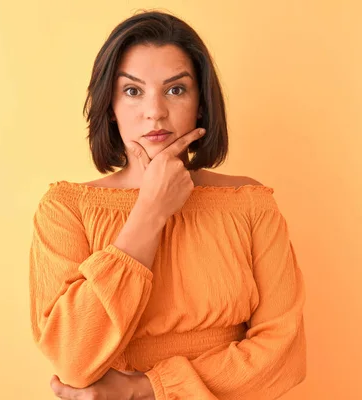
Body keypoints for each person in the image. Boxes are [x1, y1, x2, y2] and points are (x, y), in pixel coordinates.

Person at [28, 10, 306, 400]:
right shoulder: (65, 209)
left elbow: (283, 354)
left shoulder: (250, 205)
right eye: (133, 91)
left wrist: (146, 388)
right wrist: (150, 211)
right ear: (109, 105)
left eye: (175, 90)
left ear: (202, 104)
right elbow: (73, 358)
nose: (155, 111)